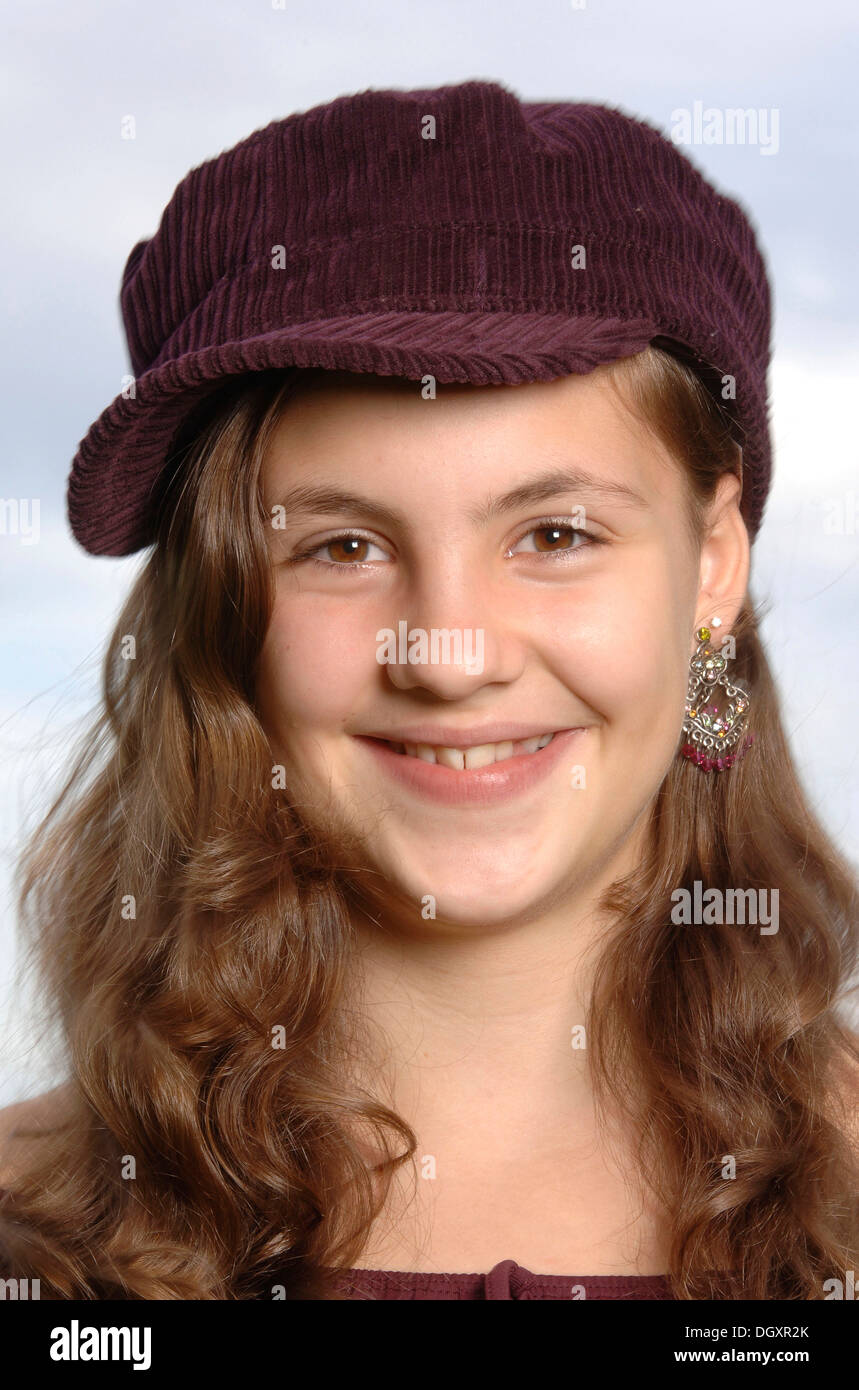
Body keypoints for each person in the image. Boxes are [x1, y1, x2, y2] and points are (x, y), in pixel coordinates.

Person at [0, 80, 856, 1302]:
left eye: (555, 534)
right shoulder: (26, 1242)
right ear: (222, 607)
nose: (451, 656)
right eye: (341, 546)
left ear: (713, 563)